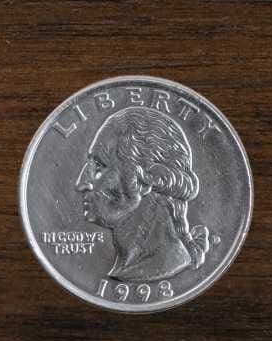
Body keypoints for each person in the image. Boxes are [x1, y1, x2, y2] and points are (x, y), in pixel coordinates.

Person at [76, 106, 212, 281]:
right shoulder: (127, 267)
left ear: (149, 178)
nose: (81, 183)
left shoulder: (157, 265)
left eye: (99, 167)